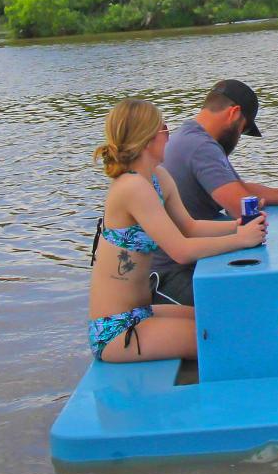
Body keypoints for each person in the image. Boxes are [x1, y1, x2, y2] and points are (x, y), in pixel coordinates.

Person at [89, 98, 266, 363]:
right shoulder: (131, 187)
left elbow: (190, 227)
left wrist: (237, 226)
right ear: (147, 137)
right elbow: (181, 251)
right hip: (117, 328)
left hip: (143, 312)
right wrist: (240, 240)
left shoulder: (158, 178)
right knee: (223, 338)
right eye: (164, 129)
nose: (169, 135)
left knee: (222, 318)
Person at [150, 79, 278, 306]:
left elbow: (238, 187)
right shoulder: (201, 147)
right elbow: (240, 207)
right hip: (169, 275)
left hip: (188, 260)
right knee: (251, 303)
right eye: (243, 129)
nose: (238, 138)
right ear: (234, 114)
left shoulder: (192, 135)